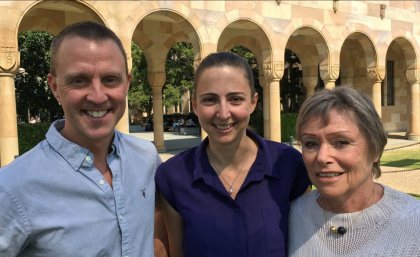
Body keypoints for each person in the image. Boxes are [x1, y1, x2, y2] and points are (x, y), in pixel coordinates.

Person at [0, 21, 161, 257]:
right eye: (79, 80)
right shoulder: (13, 187)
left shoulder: (146, 159)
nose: (97, 96)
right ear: (55, 87)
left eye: (110, 79)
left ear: (127, 83)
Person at [155, 52, 310, 257]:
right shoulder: (174, 176)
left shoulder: (288, 164)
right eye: (210, 100)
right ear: (195, 105)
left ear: (253, 102)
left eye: (235, 99)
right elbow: (177, 253)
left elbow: (308, 242)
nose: (223, 113)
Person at [289, 87, 420, 256]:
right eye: (310, 144)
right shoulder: (293, 215)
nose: (322, 157)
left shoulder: (413, 221)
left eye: (341, 142)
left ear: (375, 149)